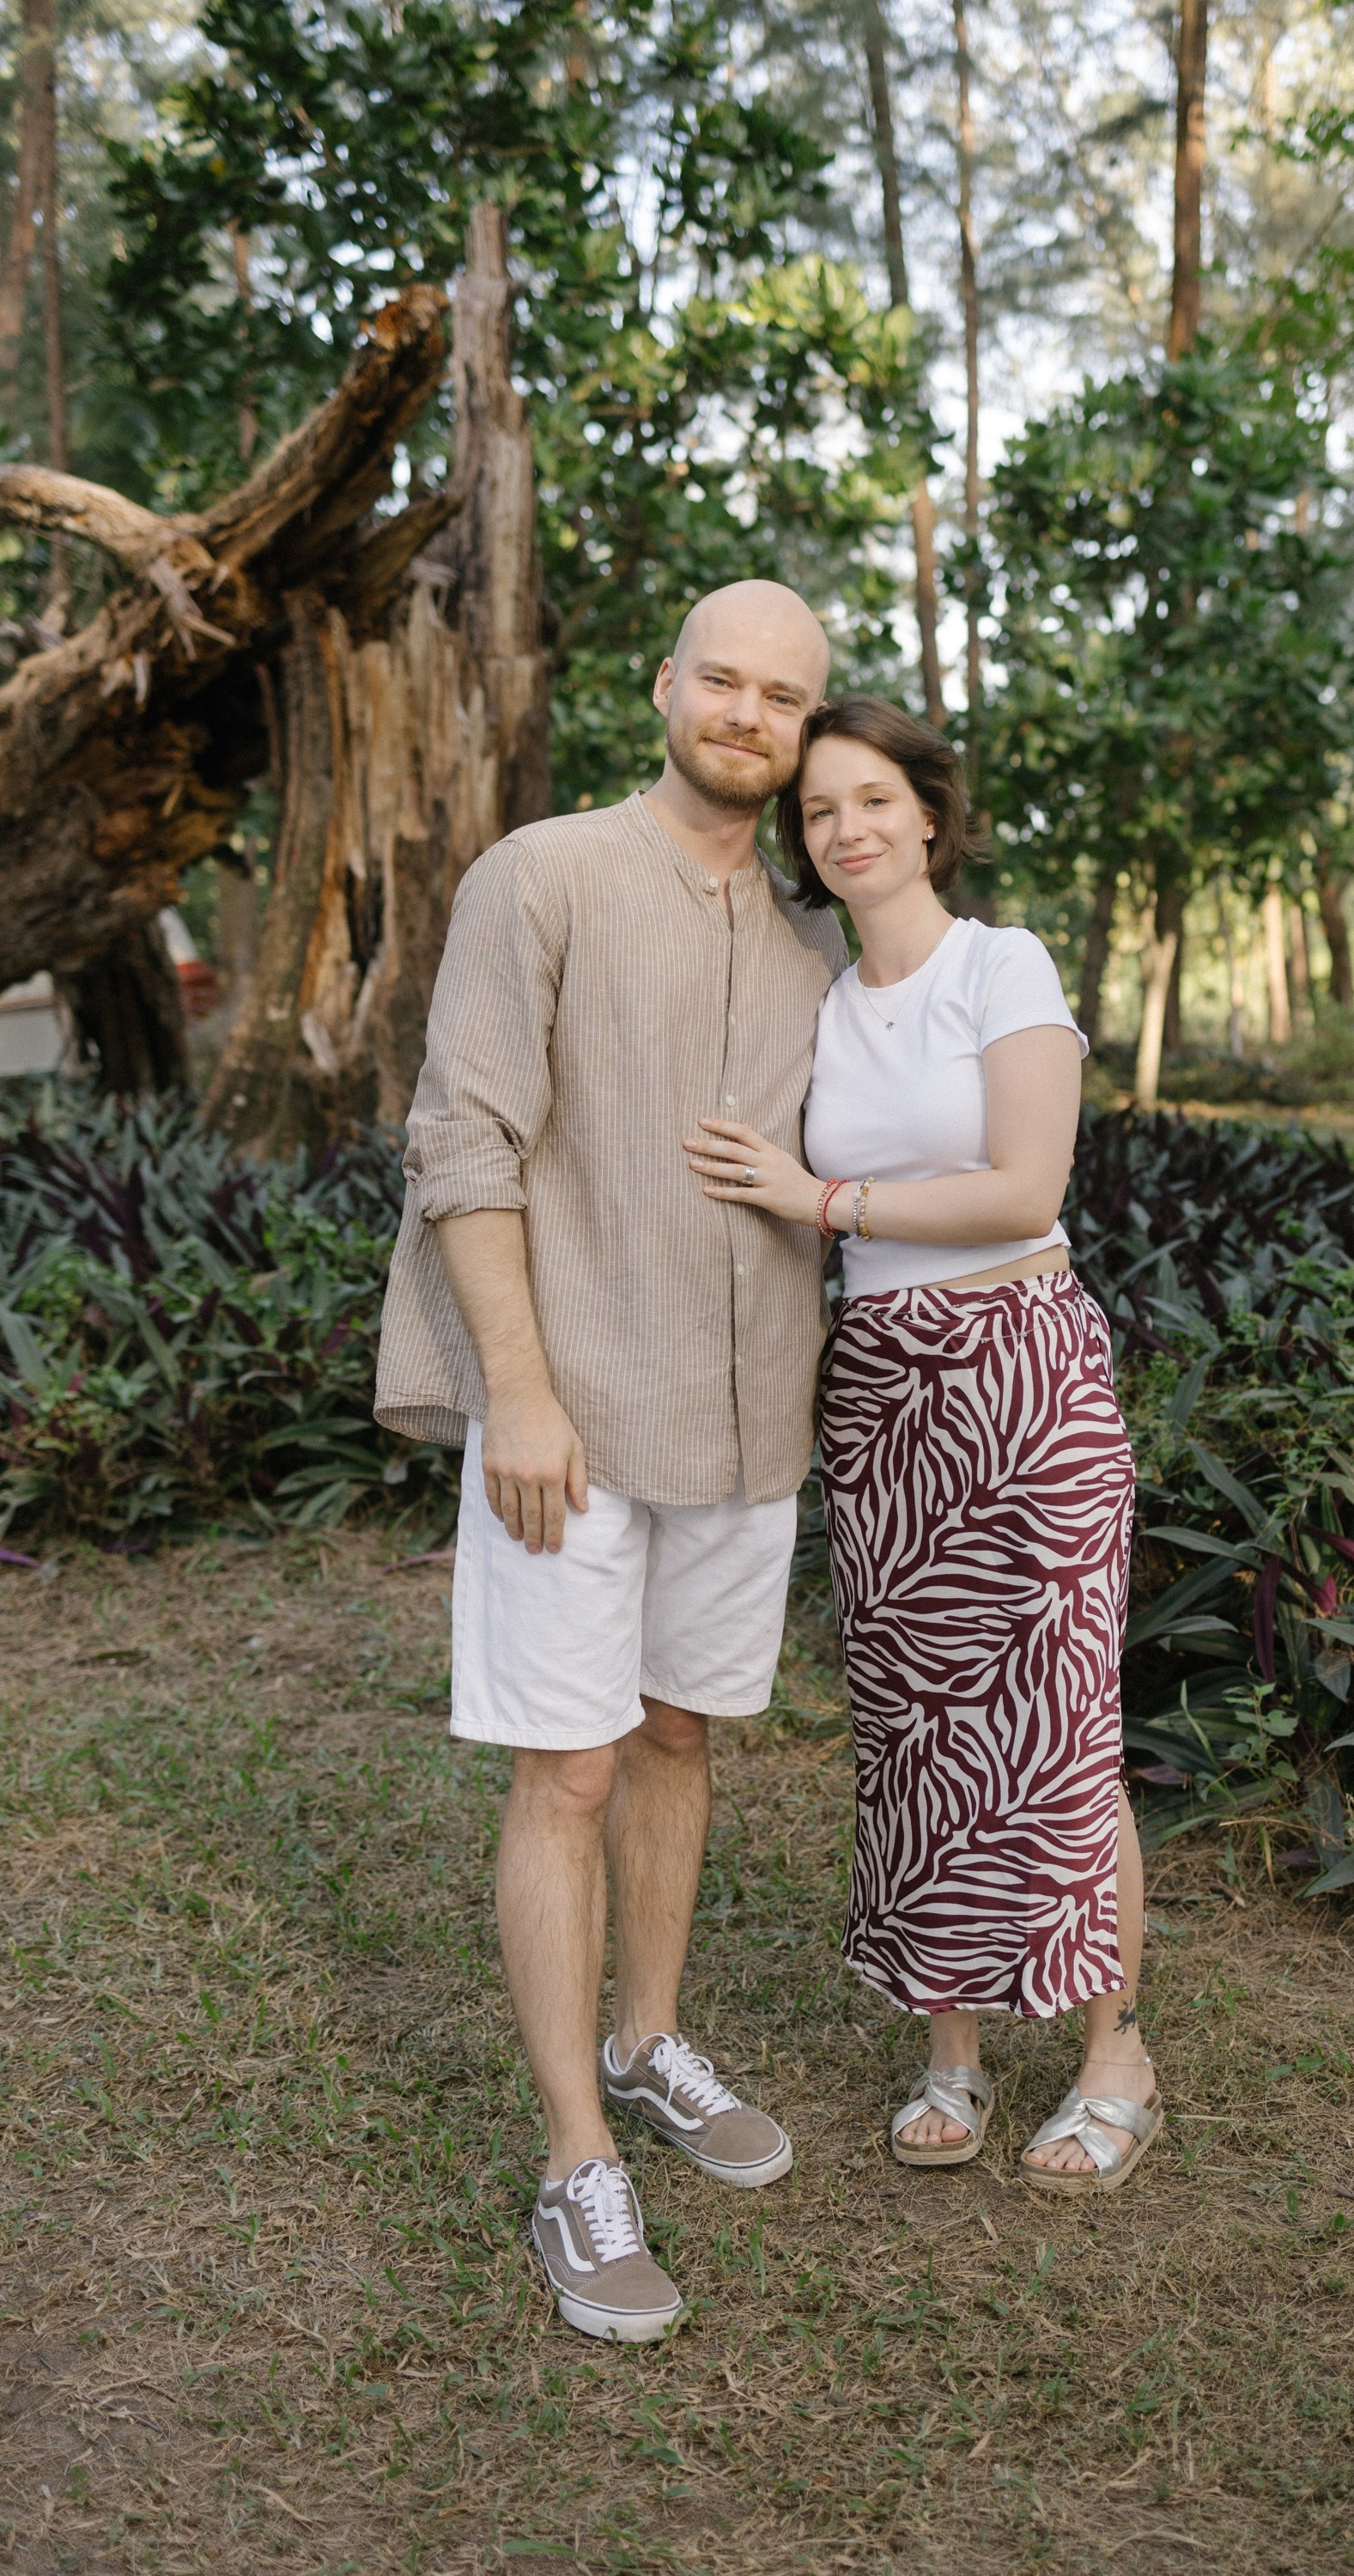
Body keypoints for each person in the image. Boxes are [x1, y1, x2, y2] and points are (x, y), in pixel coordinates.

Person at [373, 581, 852, 2341]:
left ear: (808, 732)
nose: (746, 712)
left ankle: (648, 2041)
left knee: (674, 1741)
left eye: (781, 696)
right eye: (720, 678)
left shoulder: (814, 946)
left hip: (747, 1425)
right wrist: (520, 1393)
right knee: (564, 1775)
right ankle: (577, 2160)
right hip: (570, 1414)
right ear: (664, 688)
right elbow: (464, 1132)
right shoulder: (545, 873)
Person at [683, 696, 1160, 2193]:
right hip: (881, 1385)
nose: (848, 828)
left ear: (930, 815)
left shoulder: (998, 966)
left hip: (1019, 1369)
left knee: (1060, 1722)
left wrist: (817, 1202)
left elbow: (1025, 1187)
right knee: (921, 1729)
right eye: (821, 812)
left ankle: (1110, 2057)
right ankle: (949, 2051)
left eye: (874, 797)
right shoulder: (821, 999)